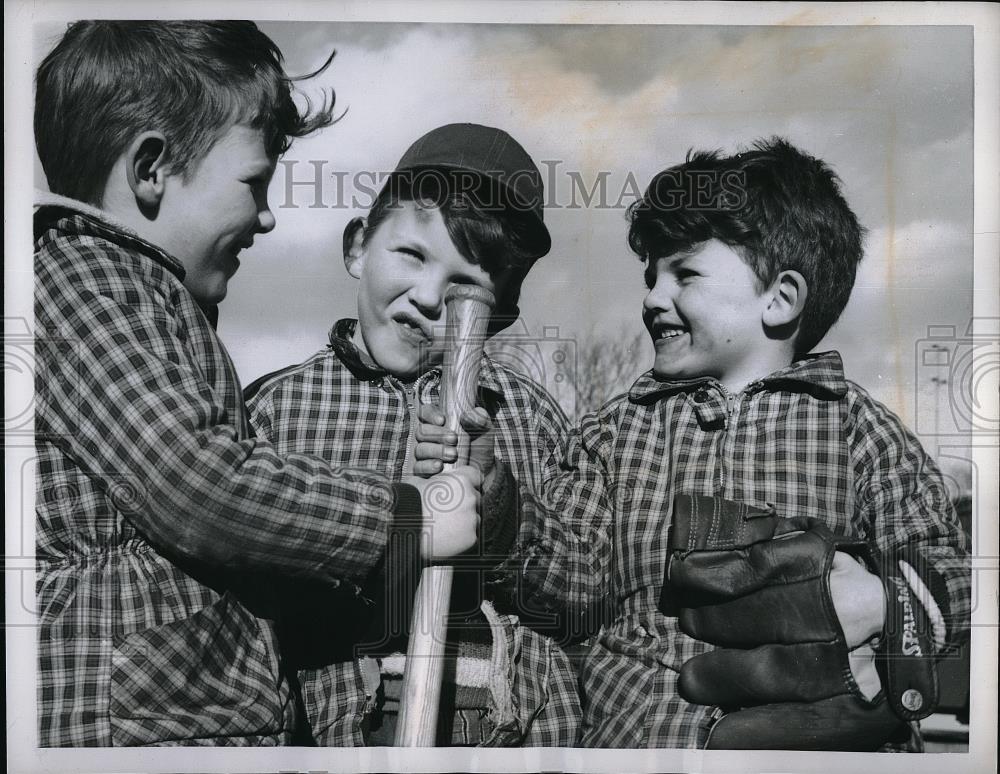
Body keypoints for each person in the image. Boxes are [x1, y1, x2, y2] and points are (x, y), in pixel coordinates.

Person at [431, 137, 970, 749]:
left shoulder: (857, 429)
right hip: (639, 746)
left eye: (684, 273)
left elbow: (948, 563)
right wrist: (495, 499)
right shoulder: (612, 435)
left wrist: (883, 600)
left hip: (815, 747)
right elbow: (571, 589)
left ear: (781, 299)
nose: (653, 297)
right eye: (651, 276)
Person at [33, 21, 481, 747]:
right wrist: (407, 520)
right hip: (131, 736)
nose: (268, 216)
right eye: (253, 182)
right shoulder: (81, 285)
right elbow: (196, 486)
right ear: (151, 169)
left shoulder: (145, 301)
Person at [244, 122, 583, 747]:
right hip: (336, 736)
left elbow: (587, 595)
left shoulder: (528, 417)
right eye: (411, 255)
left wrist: (498, 505)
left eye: (466, 284)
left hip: (511, 737)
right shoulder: (274, 413)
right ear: (357, 248)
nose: (429, 297)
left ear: (502, 310)